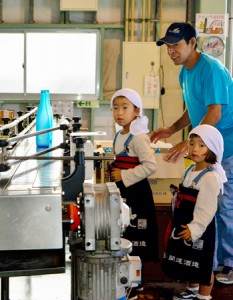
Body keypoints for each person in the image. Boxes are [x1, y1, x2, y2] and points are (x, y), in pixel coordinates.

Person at [150, 22, 233, 287]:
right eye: (168, 46)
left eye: (176, 45)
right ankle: (211, 261)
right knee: (206, 206)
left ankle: (228, 264)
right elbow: (194, 110)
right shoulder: (185, 73)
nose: (171, 51)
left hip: (226, 149)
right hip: (205, 149)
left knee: (224, 207)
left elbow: (215, 114)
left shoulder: (212, 70)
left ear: (192, 43)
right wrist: (172, 129)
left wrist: (188, 144)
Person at [162, 125, 227, 300]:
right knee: (189, 258)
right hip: (185, 222)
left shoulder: (210, 177)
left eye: (201, 145)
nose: (195, 149)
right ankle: (192, 288)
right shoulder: (189, 170)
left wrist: (195, 228)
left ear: (212, 148)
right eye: (191, 144)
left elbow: (206, 208)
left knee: (204, 263)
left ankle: (204, 295)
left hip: (200, 229)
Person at [109, 88, 159, 290]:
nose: (119, 113)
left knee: (138, 236)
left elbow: (151, 165)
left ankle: (137, 280)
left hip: (138, 193)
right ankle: (124, 276)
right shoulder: (119, 135)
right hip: (122, 191)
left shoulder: (139, 138)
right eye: (115, 108)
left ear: (137, 111)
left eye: (124, 107)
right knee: (123, 231)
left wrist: (124, 175)